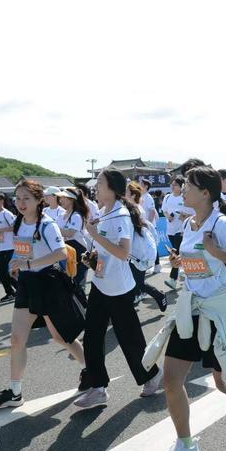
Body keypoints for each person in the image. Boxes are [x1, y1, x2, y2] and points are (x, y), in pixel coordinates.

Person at [151, 166, 226, 451]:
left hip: (217, 314)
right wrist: (181, 264)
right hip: (191, 309)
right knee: (171, 380)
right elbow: (197, 266)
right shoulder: (189, 225)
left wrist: (216, 252)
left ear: (204, 193)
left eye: (187, 185)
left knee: (224, 381)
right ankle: (186, 443)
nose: (182, 190)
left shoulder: (222, 225)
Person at [0, 180, 85, 408]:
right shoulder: (20, 222)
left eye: (26, 198)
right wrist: (14, 263)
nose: (20, 203)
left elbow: (60, 252)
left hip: (47, 284)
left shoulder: (47, 225)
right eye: (18, 198)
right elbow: (21, 250)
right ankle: (15, 392)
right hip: (27, 284)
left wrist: (29, 264)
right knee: (17, 339)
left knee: (61, 337)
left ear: (39, 200)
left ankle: (90, 370)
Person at [73, 168, 162, 408]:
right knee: (92, 336)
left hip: (120, 288)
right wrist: (93, 255)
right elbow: (106, 249)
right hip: (101, 284)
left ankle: (151, 375)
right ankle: (98, 387)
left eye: (100, 183)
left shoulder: (121, 215)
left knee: (129, 339)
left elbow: (122, 252)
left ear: (112, 188)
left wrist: (94, 235)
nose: (95, 187)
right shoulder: (103, 212)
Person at [126, 181, 167, 310]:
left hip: (139, 250)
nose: (123, 194)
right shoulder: (130, 208)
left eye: (126, 192)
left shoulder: (136, 209)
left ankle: (159, 296)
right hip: (132, 251)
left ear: (132, 195)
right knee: (134, 280)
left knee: (138, 281)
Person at [55, 187, 91, 307]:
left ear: (71, 199)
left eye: (63, 198)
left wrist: (53, 230)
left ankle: (87, 309)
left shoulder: (76, 215)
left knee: (76, 283)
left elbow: (70, 233)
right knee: (68, 282)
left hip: (78, 251)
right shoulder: (61, 215)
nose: (60, 200)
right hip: (66, 251)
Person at [161, 176, 194, 290]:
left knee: (176, 253)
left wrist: (184, 216)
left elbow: (194, 214)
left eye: (175, 185)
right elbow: (164, 210)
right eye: (172, 184)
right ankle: (186, 273)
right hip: (170, 230)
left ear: (181, 187)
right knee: (177, 253)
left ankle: (173, 279)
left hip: (182, 230)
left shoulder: (184, 198)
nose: (172, 186)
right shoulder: (167, 197)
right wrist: (168, 216)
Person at [0, 192, 18, 302]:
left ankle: (20, 290)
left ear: (2, 201)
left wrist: (0, 230)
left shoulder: (6, 214)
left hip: (9, 247)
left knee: (8, 272)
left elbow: (15, 227)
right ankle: (10, 293)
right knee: (0, 272)